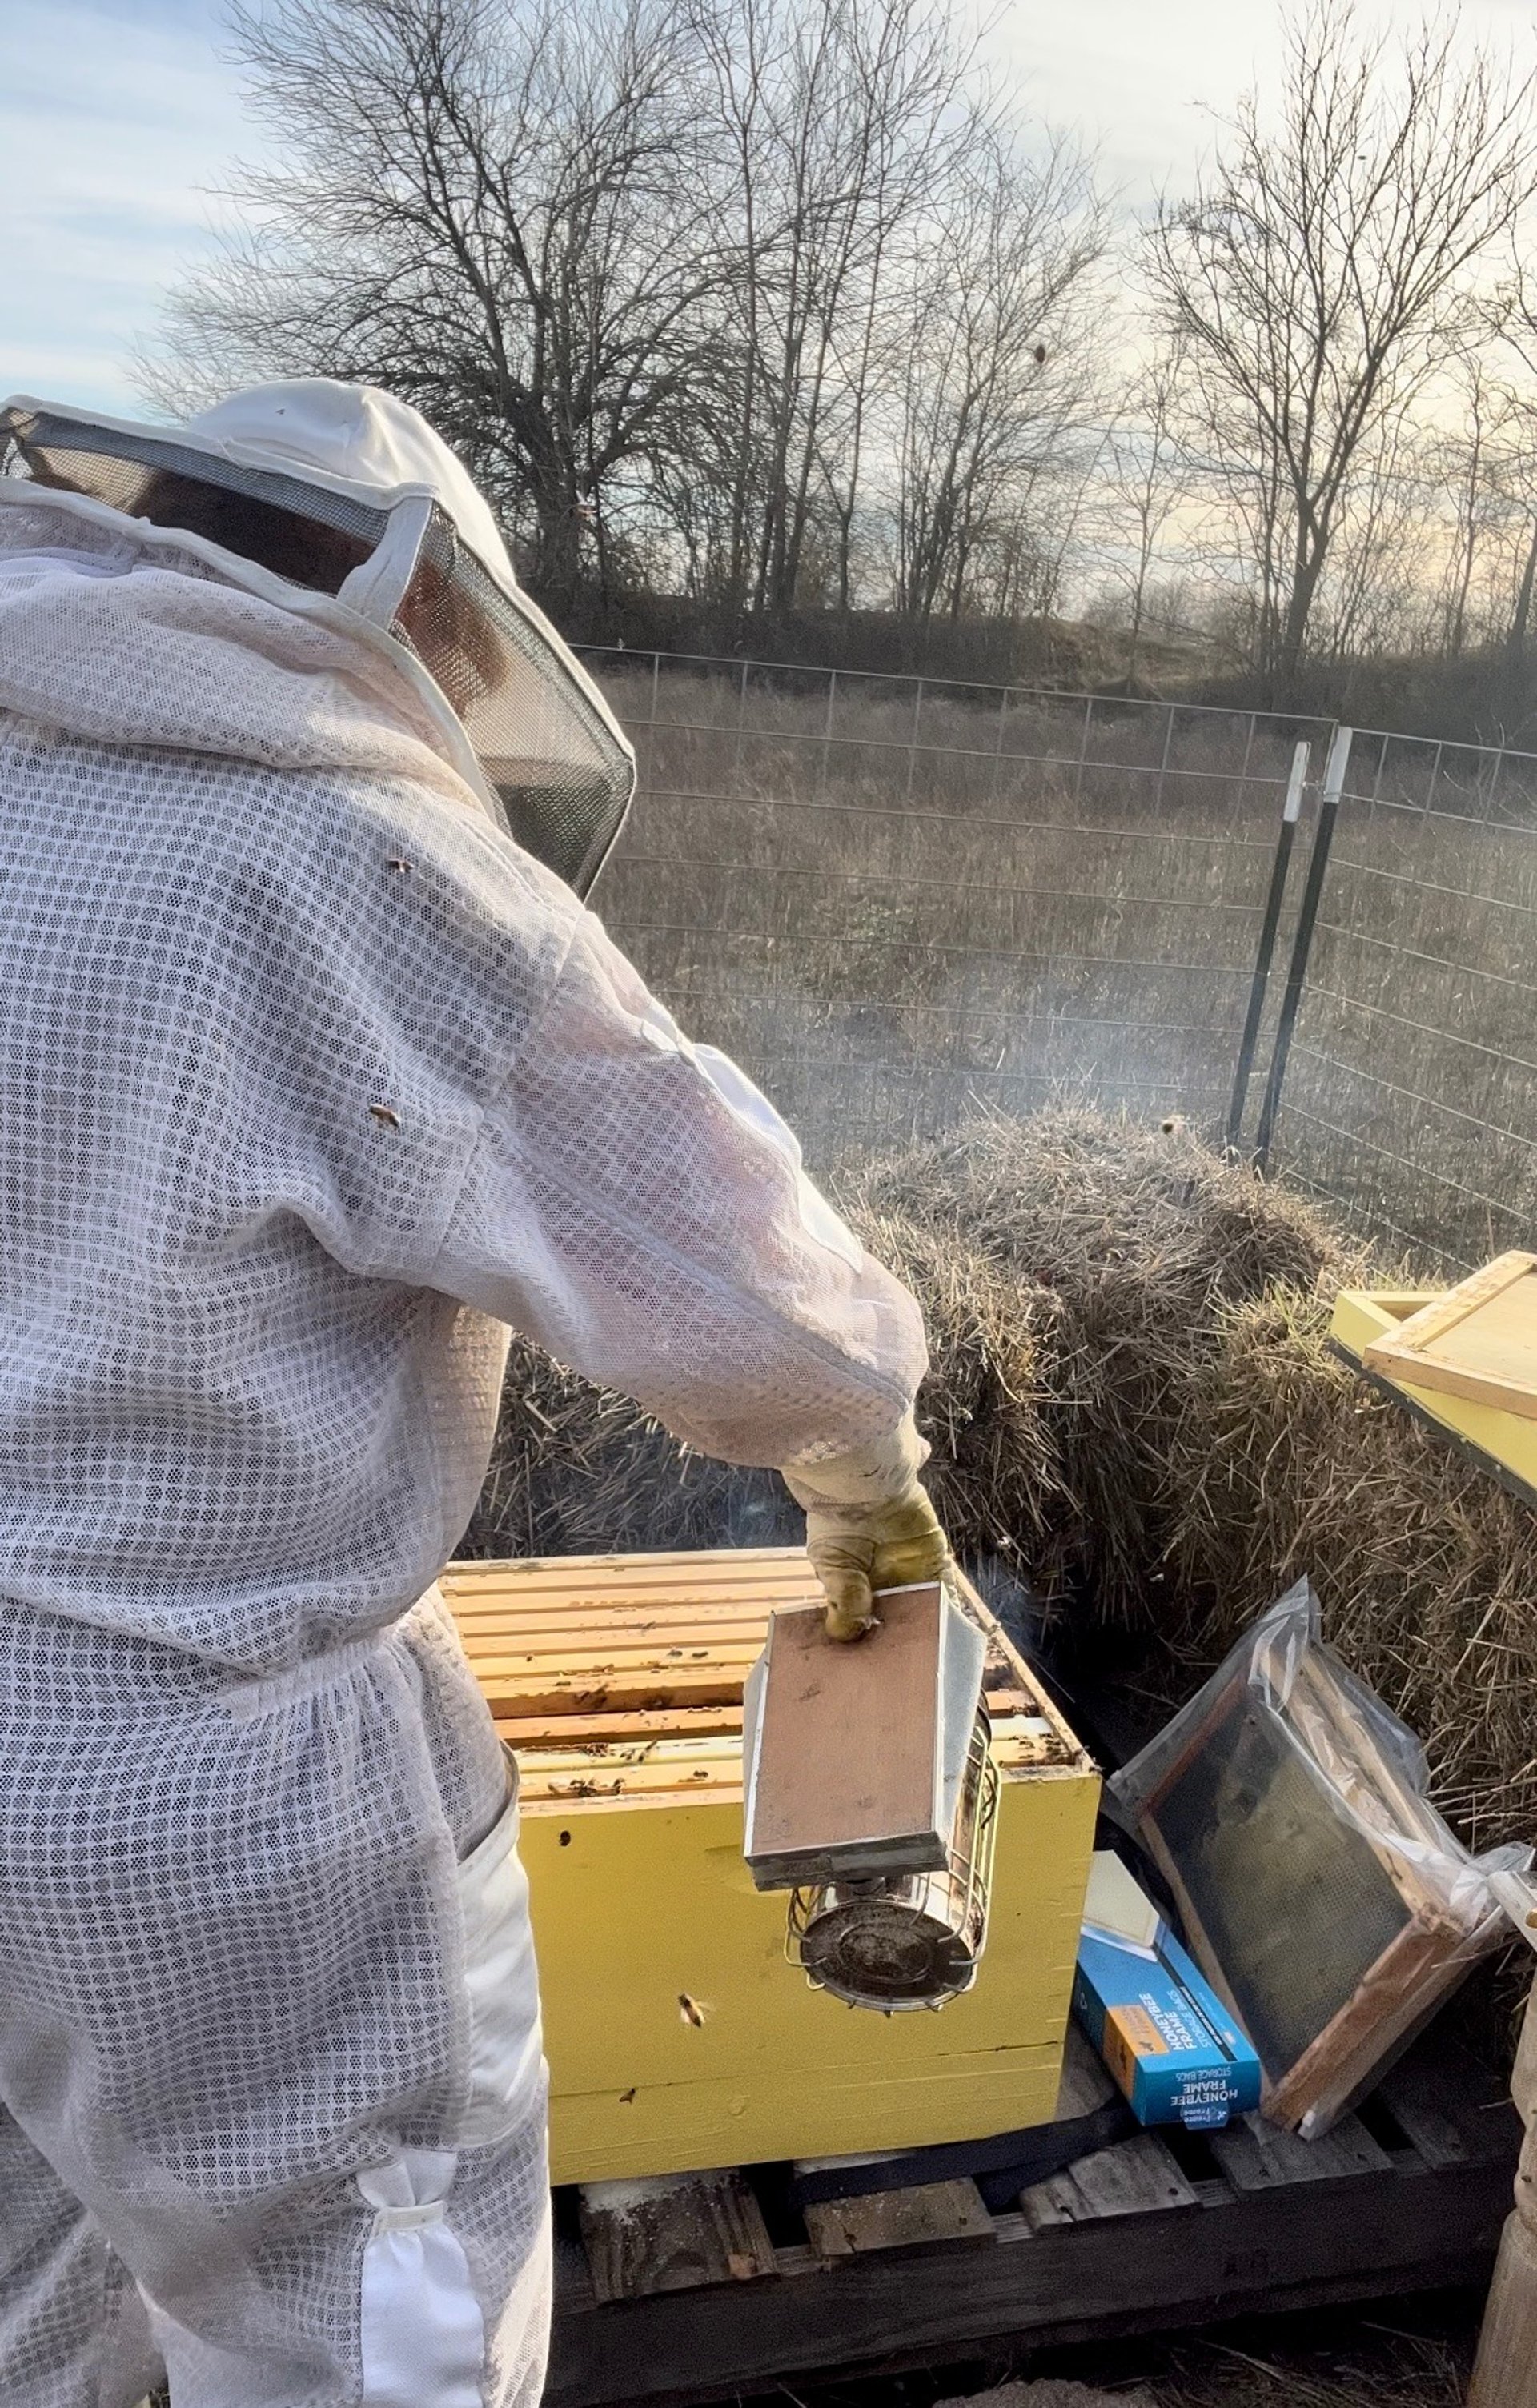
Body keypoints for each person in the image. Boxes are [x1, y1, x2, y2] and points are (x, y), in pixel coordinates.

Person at [0, 379, 952, 2408]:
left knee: (34, 2287)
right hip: (214, 1782)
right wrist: (865, 1462)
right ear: (419, 605)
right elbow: (762, 1298)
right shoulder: (365, 863)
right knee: (381, 2312)